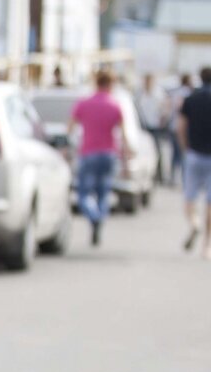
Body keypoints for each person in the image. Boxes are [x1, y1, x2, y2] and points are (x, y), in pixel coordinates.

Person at [66, 70, 132, 247]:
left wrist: (69, 147)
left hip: (88, 152)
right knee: (104, 192)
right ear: (110, 84)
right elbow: (123, 135)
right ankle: (100, 217)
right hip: (109, 153)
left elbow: (70, 128)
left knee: (83, 193)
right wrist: (126, 160)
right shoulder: (115, 105)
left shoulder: (84, 103)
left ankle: (93, 216)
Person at [177, 67, 211, 258]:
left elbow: (180, 127)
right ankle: (207, 245)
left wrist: (185, 148)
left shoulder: (191, 99)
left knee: (189, 197)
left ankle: (195, 223)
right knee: (210, 202)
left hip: (194, 154)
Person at [135, 73, 170, 183]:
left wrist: (163, 120)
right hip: (144, 126)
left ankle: (160, 175)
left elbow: (165, 107)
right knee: (146, 151)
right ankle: (149, 174)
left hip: (155, 126)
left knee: (158, 150)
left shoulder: (158, 93)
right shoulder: (140, 93)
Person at [168, 73, 193, 186]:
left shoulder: (176, 93)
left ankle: (173, 177)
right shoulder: (187, 93)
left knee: (174, 154)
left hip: (173, 126)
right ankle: (184, 178)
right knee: (184, 154)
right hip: (183, 128)